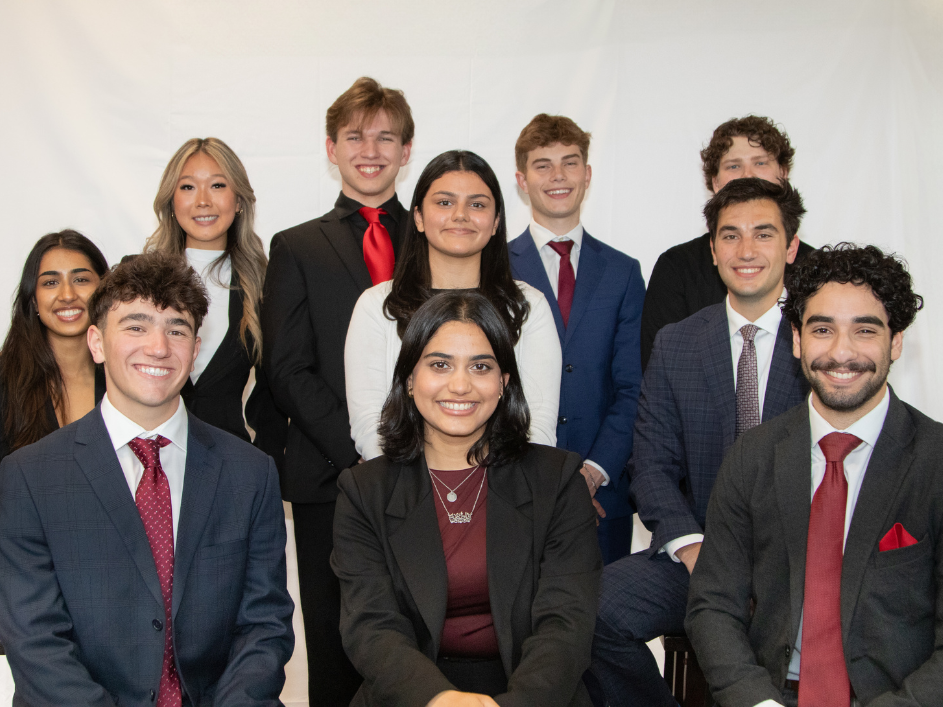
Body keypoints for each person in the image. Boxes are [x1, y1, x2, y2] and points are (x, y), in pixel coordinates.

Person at [0, 251, 293, 705]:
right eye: (135, 326)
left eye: (176, 329)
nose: (158, 347)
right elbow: (35, 641)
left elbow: (264, 627)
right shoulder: (28, 476)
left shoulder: (250, 473)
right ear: (96, 343)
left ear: (195, 350)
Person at [590, 178, 811, 707]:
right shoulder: (679, 341)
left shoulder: (820, 337)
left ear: (791, 246)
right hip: (697, 555)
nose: (746, 250)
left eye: (763, 234)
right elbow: (650, 464)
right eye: (730, 236)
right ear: (713, 251)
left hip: (796, 565)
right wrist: (690, 546)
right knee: (584, 610)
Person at [686, 243, 936, 707]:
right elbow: (713, 606)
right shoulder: (753, 457)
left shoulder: (936, 462)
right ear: (797, 339)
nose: (842, 353)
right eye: (823, 329)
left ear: (896, 341)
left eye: (865, 330)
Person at [333, 290, 601, 707]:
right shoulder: (363, 491)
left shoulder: (558, 480)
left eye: (481, 366)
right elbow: (372, 627)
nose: (460, 385)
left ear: (503, 382)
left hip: (535, 694)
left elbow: (566, 623)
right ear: (408, 379)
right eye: (440, 365)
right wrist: (438, 699)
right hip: (411, 693)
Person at [262, 76, 414, 705]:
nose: (369, 149)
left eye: (385, 136)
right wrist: (359, 454)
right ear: (331, 148)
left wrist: (409, 451)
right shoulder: (296, 246)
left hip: (428, 471)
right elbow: (287, 368)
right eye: (355, 136)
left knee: (420, 637)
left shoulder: (439, 237)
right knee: (336, 639)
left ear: (407, 150)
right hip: (331, 475)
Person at [346, 149, 561, 461]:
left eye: (477, 204)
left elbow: (538, 426)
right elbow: (370, 425)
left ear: (496, 221)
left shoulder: (528, 306)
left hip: (507, 490)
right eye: (445, 202)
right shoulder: (377, 306)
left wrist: (489, 487)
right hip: (403, 490)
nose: (461, 215)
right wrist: (419, 487)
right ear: (418, 216)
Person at [508, 113, 645, 564]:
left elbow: (633, 388)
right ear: (522, 180)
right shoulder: (494, 270)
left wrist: (594, 470)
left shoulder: (624, 272)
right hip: (514, 488)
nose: (558, 176)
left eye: (570, 163)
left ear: (587, 175)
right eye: (542, 165)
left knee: (603, 624)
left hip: (605, 492)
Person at [640, 115, 816, 369]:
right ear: (715, 182)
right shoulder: (677, 267)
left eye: (760, 162)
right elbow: (660, 368)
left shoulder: (817, 269)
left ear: (783, 174)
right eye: (734, 166)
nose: (748, 176)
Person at [146, 136, 271, 443]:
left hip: (229, 457)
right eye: (188, 187)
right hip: (146, 455)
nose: (203, 200)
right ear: (171, 201)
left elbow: (274, 392)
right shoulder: (140, 278)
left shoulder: (264, 284)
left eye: (217, 185)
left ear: (238, 200)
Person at [0, 230, 108, 462]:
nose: (67, 295)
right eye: (50, 282)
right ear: (33, 300)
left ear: (104, 291)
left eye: (81, 280)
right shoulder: (4, 381)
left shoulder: (129, 377)